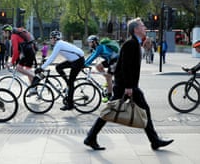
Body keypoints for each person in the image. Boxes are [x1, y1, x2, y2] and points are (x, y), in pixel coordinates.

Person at [83, 17, 173, 151]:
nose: (145, 28)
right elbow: (125, 66)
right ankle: (91, 137)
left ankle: (154, 140)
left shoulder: (134, 43)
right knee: (111, 110)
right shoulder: (131, 44)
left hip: (126, 85)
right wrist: (129, 87)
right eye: (142, 26)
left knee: (123, 110)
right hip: (125, 86)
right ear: (136, 29)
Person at [35, 30, 85, 111]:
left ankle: (70, 104)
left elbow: (52, 58)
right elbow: (52, 56)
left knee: (71, 82)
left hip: (78, 61)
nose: (50, 39)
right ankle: (67, 82)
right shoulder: (59, 44)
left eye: (51, 38)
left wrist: (41, 68)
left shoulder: (59, 44)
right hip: (74, 60)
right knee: (58, 67)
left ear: (55, 38)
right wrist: (44, 63)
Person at [84, 35, 119, 102]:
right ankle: (110, 81)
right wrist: (84, 63)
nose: (89, 44)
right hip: (110, 60)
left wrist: (85, 64)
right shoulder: (97, 48)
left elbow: (94, 56)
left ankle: (109, 95)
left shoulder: (100, 48)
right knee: (98, 66)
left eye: (90, 42)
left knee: (108, 77)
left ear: (94, 42)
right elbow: (91, 56)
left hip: (116, 60)